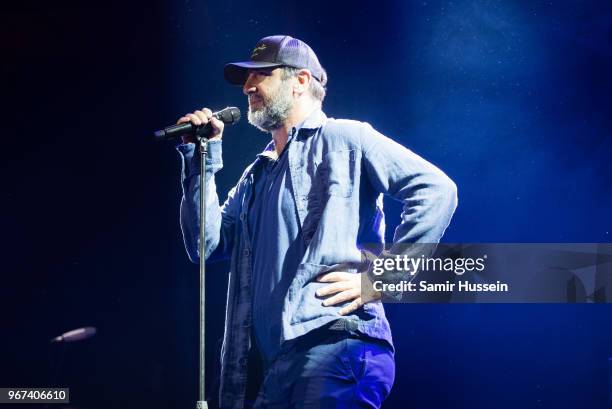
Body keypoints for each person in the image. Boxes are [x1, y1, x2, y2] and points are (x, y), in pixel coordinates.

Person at [176, 35, 457, 409]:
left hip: (335, 344)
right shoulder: (255, 177)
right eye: (246, 79)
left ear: (301, 81)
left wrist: (384, 278)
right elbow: (205, 246)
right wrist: (202, 160)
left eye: (261, 74)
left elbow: (436, 190)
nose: (248, 87)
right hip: (272, 369)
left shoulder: (346, 138)